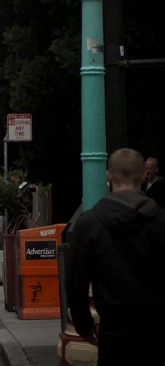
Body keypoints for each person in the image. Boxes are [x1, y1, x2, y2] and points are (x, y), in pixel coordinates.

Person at [66, 148, 165, 365]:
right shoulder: (160, 221)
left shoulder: (89, 223)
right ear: (142, 177)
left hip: (112, 330)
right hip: (155, 331)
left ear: (108, 177)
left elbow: (76, 280)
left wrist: (83, 324)